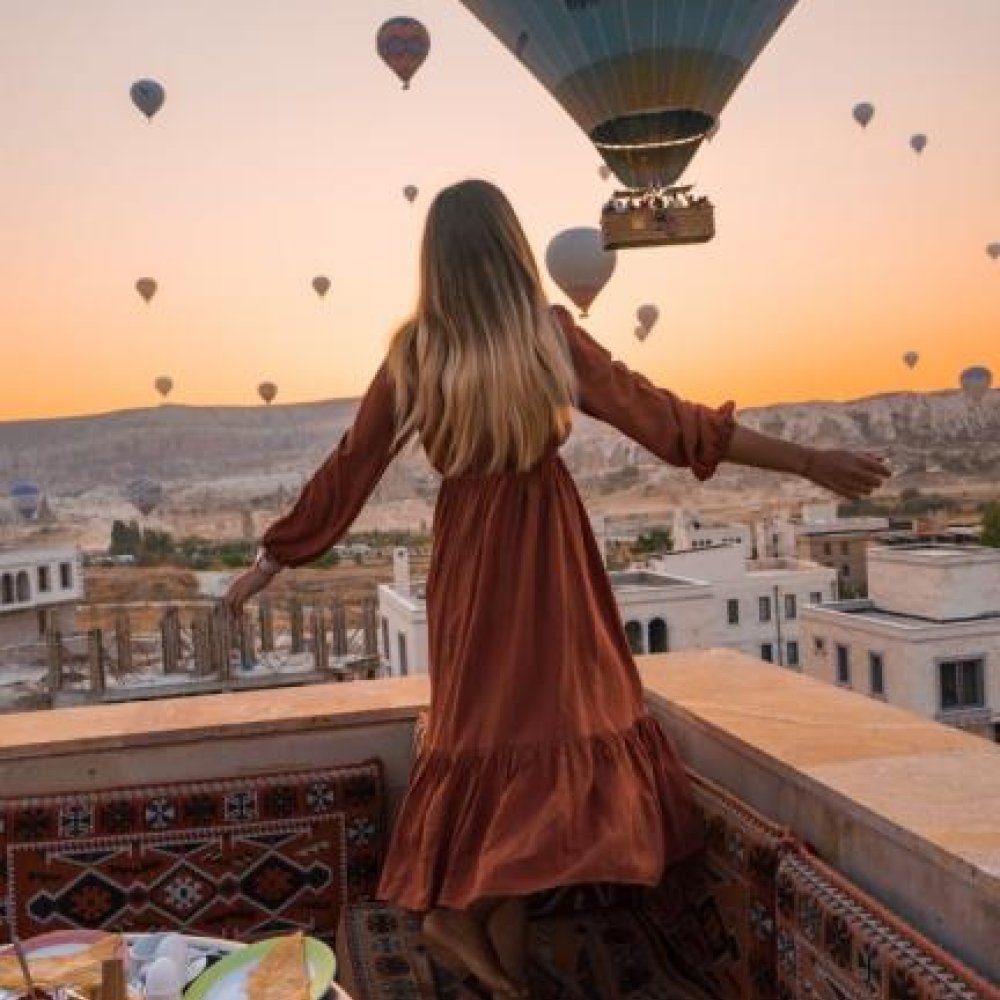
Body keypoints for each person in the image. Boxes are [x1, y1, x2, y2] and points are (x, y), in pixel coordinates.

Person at [223, 179, 890, 999]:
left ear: (435, 259)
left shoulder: (418, 349)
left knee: (494, 735)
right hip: (546, 549)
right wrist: (809, 461)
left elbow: (349, 469)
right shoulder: (549, 337)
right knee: (554, 725)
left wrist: (272, 560)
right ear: (512, 247)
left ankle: (500, 965)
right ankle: (458, 918)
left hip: (472, 556)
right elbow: (670, 421)